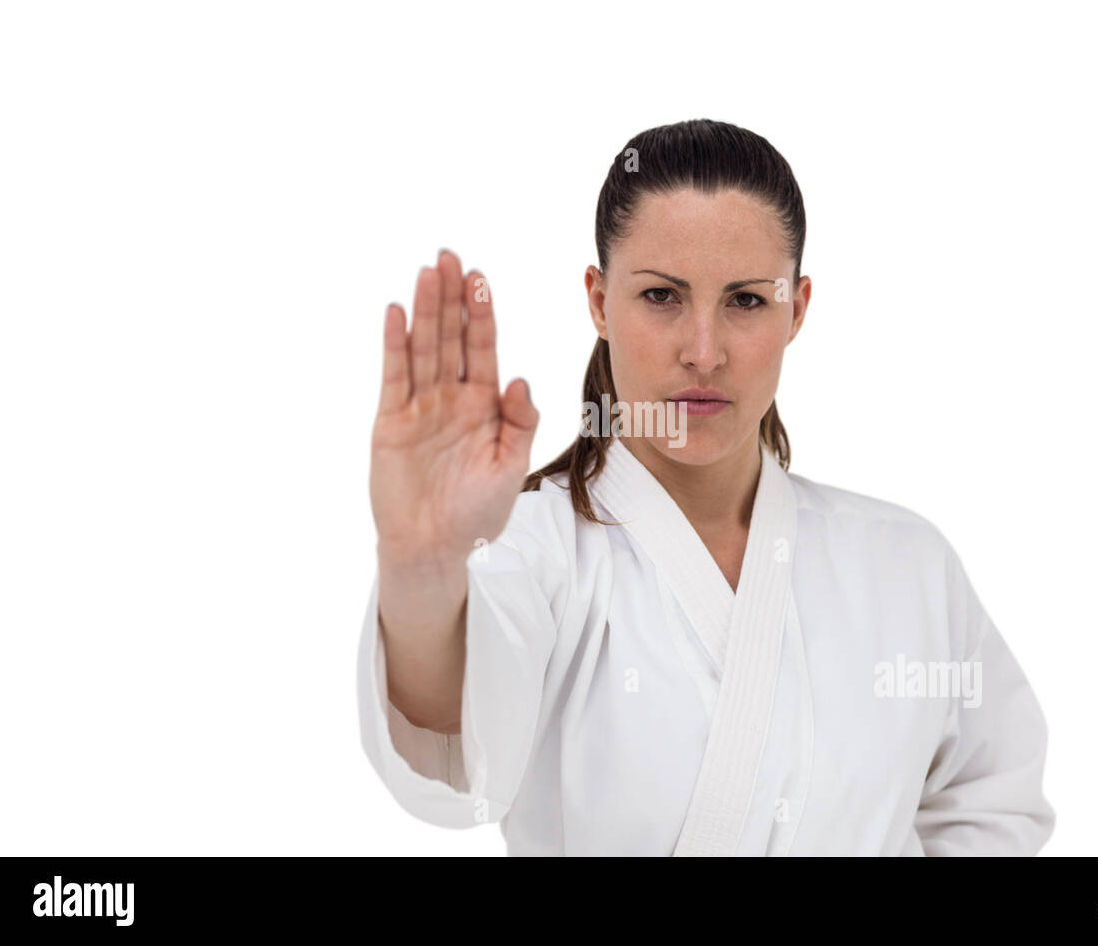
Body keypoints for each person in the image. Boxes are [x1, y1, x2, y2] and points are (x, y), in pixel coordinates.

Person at [356, 119, 1056, 856]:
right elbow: (452, 734)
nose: (703, 351)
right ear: (599, 301)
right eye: (662, 296)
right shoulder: (533, 551)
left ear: (798, 308)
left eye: (747, 300)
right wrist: (421, 569)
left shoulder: (907, 564)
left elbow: (991, 803)